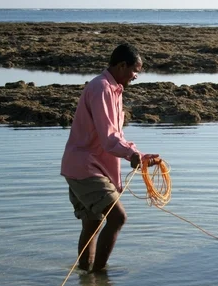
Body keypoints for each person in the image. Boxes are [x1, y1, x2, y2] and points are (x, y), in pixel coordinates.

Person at [61, 43, 160, 272]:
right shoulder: (102, 88)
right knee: (118, 218)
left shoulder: (114, 90)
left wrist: (141, 156)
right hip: (85, 168)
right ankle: (99, 280)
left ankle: (86, 279)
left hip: (83, 167)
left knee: (93, 224)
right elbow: (108, 139)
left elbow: (116, 135)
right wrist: (133, 155)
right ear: (121, 65)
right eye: (135, 70)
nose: (136, 76)